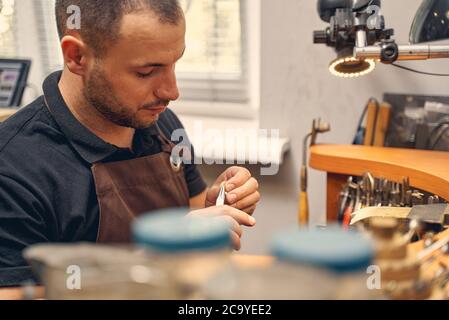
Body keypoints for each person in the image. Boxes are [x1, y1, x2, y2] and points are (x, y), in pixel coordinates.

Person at [0, 0, 260, 287]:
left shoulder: (163, 125)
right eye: (146, 72)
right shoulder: (12, 170)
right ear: (77, 57)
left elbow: (194, 215)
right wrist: (163, 249)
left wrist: (218, 207)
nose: (172, 91)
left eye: (175, 63)